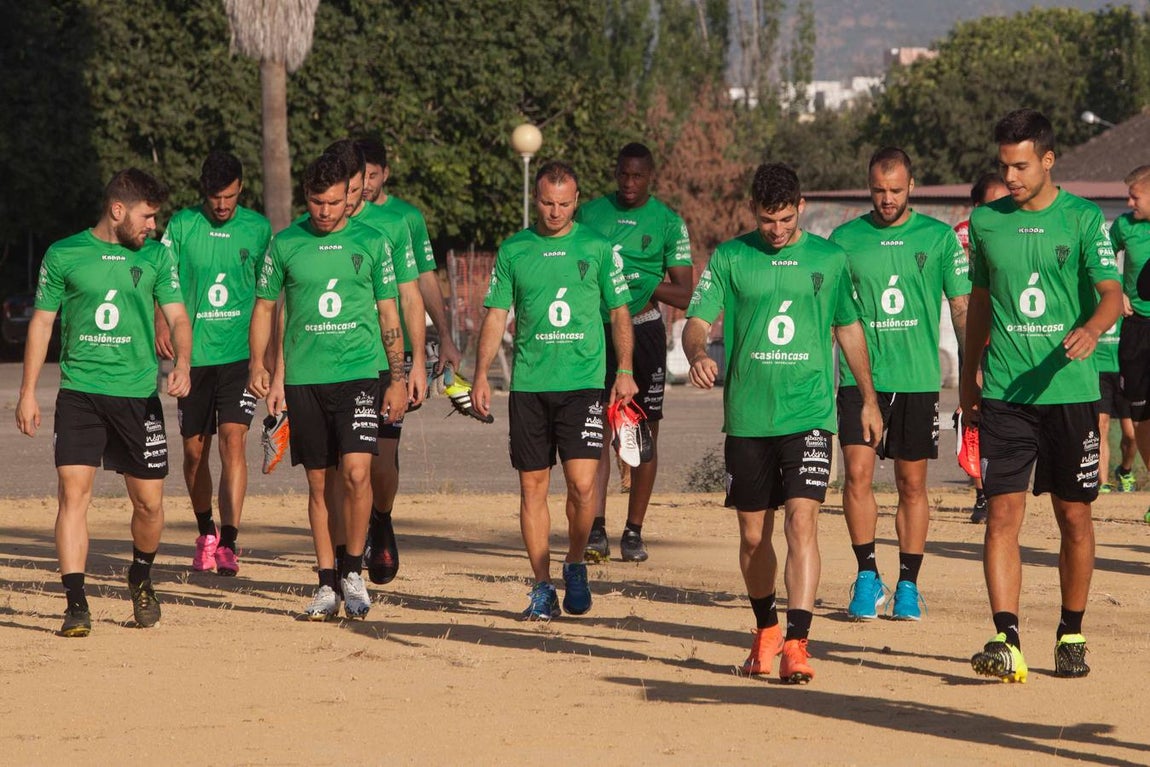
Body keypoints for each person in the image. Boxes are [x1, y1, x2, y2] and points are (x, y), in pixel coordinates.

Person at [682, 163, 882, 684]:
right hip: (748, 419)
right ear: (754, 210)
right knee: (753, 537)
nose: (777, 230)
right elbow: (697, 322)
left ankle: (797, 641)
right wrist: (699, 350)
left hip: (810, 415)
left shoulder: (829, 259)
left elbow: (848, 328)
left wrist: (868, 398)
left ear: (801, 205)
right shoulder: (731, 257)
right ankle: (766, 627)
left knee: (802, 522)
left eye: (787, 219)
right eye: (768, 220)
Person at [961, 108, 1122, 682]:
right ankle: (1006, 638)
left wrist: (1093, 329)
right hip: (1005, 390)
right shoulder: (985, 223)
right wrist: (966, 377)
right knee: (1002, 515)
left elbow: (1110, 292)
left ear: (1049, 160)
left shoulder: (1082, 219)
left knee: (1073, 516)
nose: (1011, 178)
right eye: (1005, 166)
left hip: (1070, 391)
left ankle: (1071, 631)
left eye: (1022, 166)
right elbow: (979, 302)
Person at [16, 168, 192, 637]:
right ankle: (76, 603)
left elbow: (178, 317)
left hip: (137, 397)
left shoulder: (157, 258)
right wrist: (28, 392)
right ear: (118, 211)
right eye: (147, 216)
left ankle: (140, 576)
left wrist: (184, 365)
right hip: (80, 393)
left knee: (150, 506)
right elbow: (42, 324)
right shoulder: (64, 254)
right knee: (73, 496)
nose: (153, 226)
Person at [471, 160, 637, 620]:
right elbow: (494, 315)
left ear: (577, 201)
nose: (555, 211)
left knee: (584, 487)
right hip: (528, 386)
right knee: (532, 489)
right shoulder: (514, 250)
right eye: (546, 202)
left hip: (582, 385)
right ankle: (542, 585)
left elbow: (621, 312)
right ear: (535, 199)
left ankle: (576, 561)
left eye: (564, 203)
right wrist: (482, 372)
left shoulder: (599, 248)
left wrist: (624, 368)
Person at [248, 152, 408, 621]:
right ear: (307, 198)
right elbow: (264, 309)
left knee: (358, 473)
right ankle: (325, 582)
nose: (325, 211)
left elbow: (389, 315)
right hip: (304, 379)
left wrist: (396, 379)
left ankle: (353, 572)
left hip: (359, 374)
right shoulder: (284, 244)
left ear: (349, 199)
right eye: (317, 202)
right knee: (320, 483)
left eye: (335, 202)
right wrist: (262, 366)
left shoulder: (375, 242)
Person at [829, 147, 970, 621]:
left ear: (912, 186)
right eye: (878, 191)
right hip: (859, 378)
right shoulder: (844, 239)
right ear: (868, 188)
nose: (886, 199)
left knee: (912, 485)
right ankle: (868, 575)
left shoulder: (939, 237)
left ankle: (908, 584)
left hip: (916, 380)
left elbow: (962, 307)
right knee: (857, 475)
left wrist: (977, 366)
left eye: (895, 190)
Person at [575, 143, 694, 563]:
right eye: (623, 174)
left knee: (642, 436)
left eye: (638, 176)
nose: (629, 183)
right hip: (596, 333)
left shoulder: (667, 222)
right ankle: (596, 529)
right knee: (596, 433)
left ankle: (634, 530)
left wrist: (641, 281)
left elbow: (684, 290)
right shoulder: (589, 214)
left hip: (643, 333)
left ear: (651, 176)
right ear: (615, 172)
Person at [158, 151, 272, 576]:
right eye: (214, 198)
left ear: (241, 188)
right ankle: (205, 529)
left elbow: (269, 300)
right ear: (202, 193)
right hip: (194, 358)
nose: (221, 205)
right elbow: (162, 279)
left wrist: (269, 362)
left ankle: (230, 540)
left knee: (233, 440)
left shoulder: (259, 229)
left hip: (240, 357)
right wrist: (160, 324)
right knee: (193, 452)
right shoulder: (183, 225)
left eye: (228, 196)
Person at [324, 139, 426, 587]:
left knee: (380, 464)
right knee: (339, 469)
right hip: (331, 363)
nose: (354, 193)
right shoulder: (316, 227)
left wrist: (417, 360)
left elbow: (409, 293)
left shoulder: (392, 225)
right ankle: (342, 565)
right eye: (349, 184)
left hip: (384, 360)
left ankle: (381, 519)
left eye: (360, 181)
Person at [954, 172, 1010, 523]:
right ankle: (981, 493)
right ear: (976, 209)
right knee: (973, 414)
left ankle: (1001, 487)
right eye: (993, 205)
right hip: (976, 337)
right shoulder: (962, 234)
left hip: (1011, 338)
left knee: (1004, 414)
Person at [1110, 165, 1150, 512]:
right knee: (1140, 418)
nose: (1128, 202)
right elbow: (1101, 259)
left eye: (1135, 196)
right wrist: (1116, 291)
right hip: (1136, 329)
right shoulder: (1124, 226)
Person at [1096, 316, 1137, 493]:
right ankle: (1103, 483)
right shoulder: (1092, 297)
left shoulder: (1128, 303)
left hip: (1125, 371)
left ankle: (1125, 471)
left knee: (1132, 434)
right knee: (1101, 427)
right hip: (1099, 371)